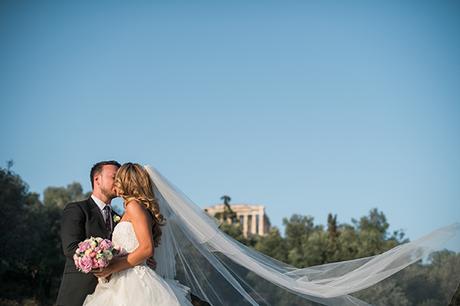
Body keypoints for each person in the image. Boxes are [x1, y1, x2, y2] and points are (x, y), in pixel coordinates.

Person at [83, 162, 193, 305]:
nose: (115, 183)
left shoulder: (133, 205)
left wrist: (112, 267)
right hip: (123, 277)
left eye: (117, 178)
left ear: (126, 181)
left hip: (133, 282)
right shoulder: (134, 208)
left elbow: (147, 248)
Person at [56, 160, 121, 306]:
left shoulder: (121, 219)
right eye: (114, 177)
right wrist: (102, 261)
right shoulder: (77, 209)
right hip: (79, 292)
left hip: (112, 295)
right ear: (97, 179)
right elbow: (71, 248)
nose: (119, 182)